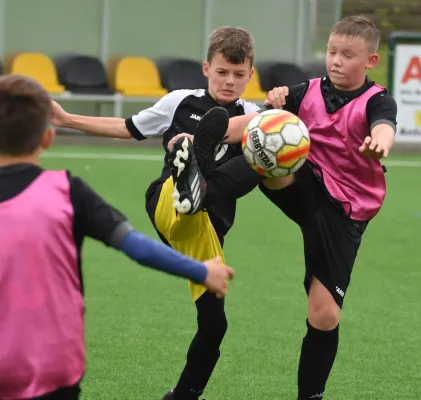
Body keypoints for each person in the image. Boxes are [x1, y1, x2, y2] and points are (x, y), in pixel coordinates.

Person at [50, 27, 264, 399]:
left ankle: (183, 395)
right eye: (222, 72)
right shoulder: (180, 102)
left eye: (239, 74)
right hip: (166, 203)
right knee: (183, 177)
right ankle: (188, 174)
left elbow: (285, 129)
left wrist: (274, 114)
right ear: (206, 68)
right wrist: (67, 119)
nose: (230, 82)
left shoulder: (256, 116)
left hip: (205, 227)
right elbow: (127, 127)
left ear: (250, 73)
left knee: (214, 326)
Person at [0, 74, 235, 400]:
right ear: (47, 138)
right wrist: (202, 271)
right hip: (53, 364)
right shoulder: (68, 192)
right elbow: (135, 246)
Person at [216, 15, 397, 399]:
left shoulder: (377, 99)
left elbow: (384, 125)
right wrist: (203, 134)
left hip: (345, 210)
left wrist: (381, 142)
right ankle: (206, 183)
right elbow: (255, 121)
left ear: (370, 61)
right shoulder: (306, 90)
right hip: (305, 185)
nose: (335, 60)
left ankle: (309, 395)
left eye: (348, 55)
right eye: (332, 51)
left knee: (324, 315)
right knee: (267, 135)